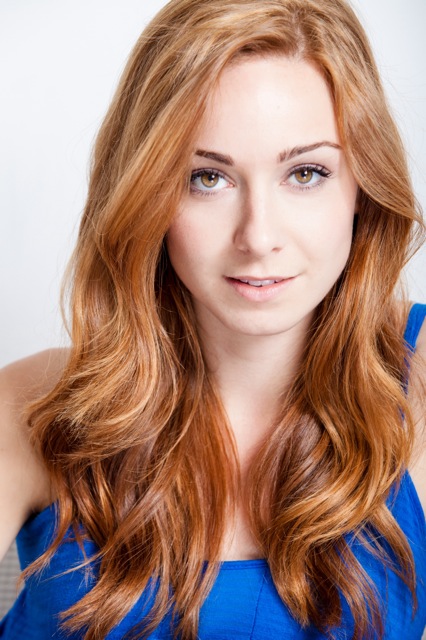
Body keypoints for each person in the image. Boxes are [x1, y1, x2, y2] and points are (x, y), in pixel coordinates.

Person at [0, 0, 425, 638]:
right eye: (207, 178)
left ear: (363, 186)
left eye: (306, 173)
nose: (258, 237)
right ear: (147, 195)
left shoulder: (417, 381)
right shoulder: (33, 406)